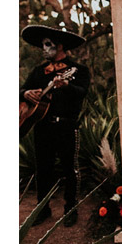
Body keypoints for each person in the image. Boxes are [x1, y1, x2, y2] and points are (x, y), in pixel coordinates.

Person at [20, 25, 91, 226]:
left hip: (67, 126)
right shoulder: (38, 72)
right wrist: (25, 94)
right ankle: (42, 210)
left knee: (70, 169)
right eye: (43, 45)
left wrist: (67, 86)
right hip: (42, 127)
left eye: (48, 44)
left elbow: (82, 92)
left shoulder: (78, 70)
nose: (44, 49)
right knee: (43, 169)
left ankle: (71, 210)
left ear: (60, 46)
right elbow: (21, 90)